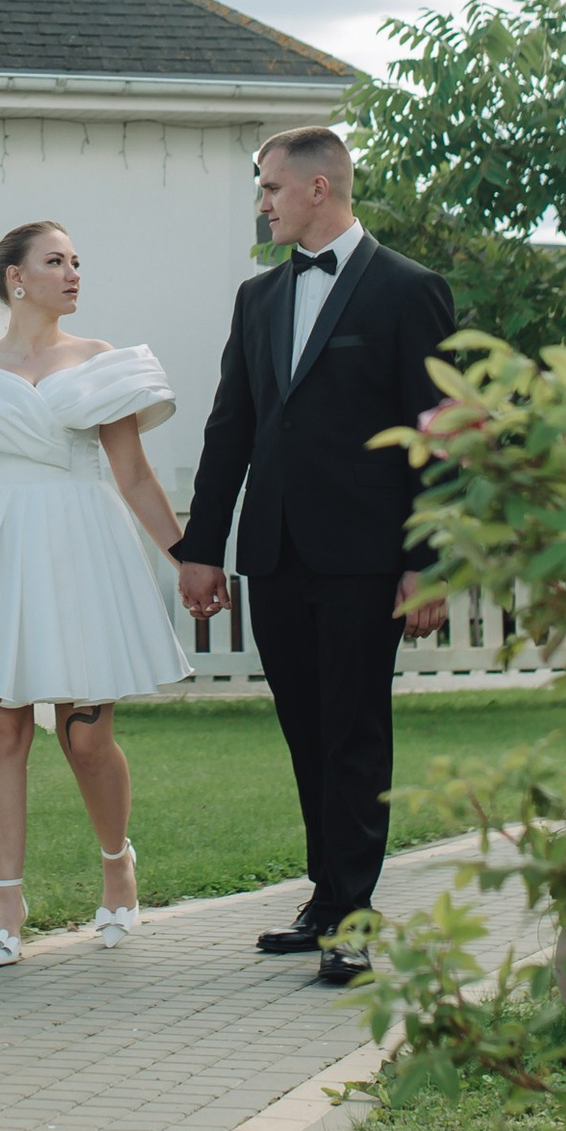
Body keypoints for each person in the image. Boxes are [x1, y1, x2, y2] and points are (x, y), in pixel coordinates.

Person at [174, 128, 455, 986]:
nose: (261, 203)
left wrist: (432, 559)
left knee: (355, 733)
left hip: (370, 557)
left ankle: (355, 920)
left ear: (319, 188)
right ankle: (326, 899)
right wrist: (202, 549)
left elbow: (441, 435)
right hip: (278, 555)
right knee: (306, 732)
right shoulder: (256, 300)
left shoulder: (410, 292)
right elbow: (233, 431)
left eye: (269, 188)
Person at [0, 221, 191, 966]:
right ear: (15, 279)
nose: (74, 272)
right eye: (56, 261)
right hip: (2, 552)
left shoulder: (101, 364)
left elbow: (134, 477)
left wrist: (190, 560)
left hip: (83, 549)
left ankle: (117, 865)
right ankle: (7, 900)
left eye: (78, 261)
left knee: (86, 735)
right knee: (2, 732)